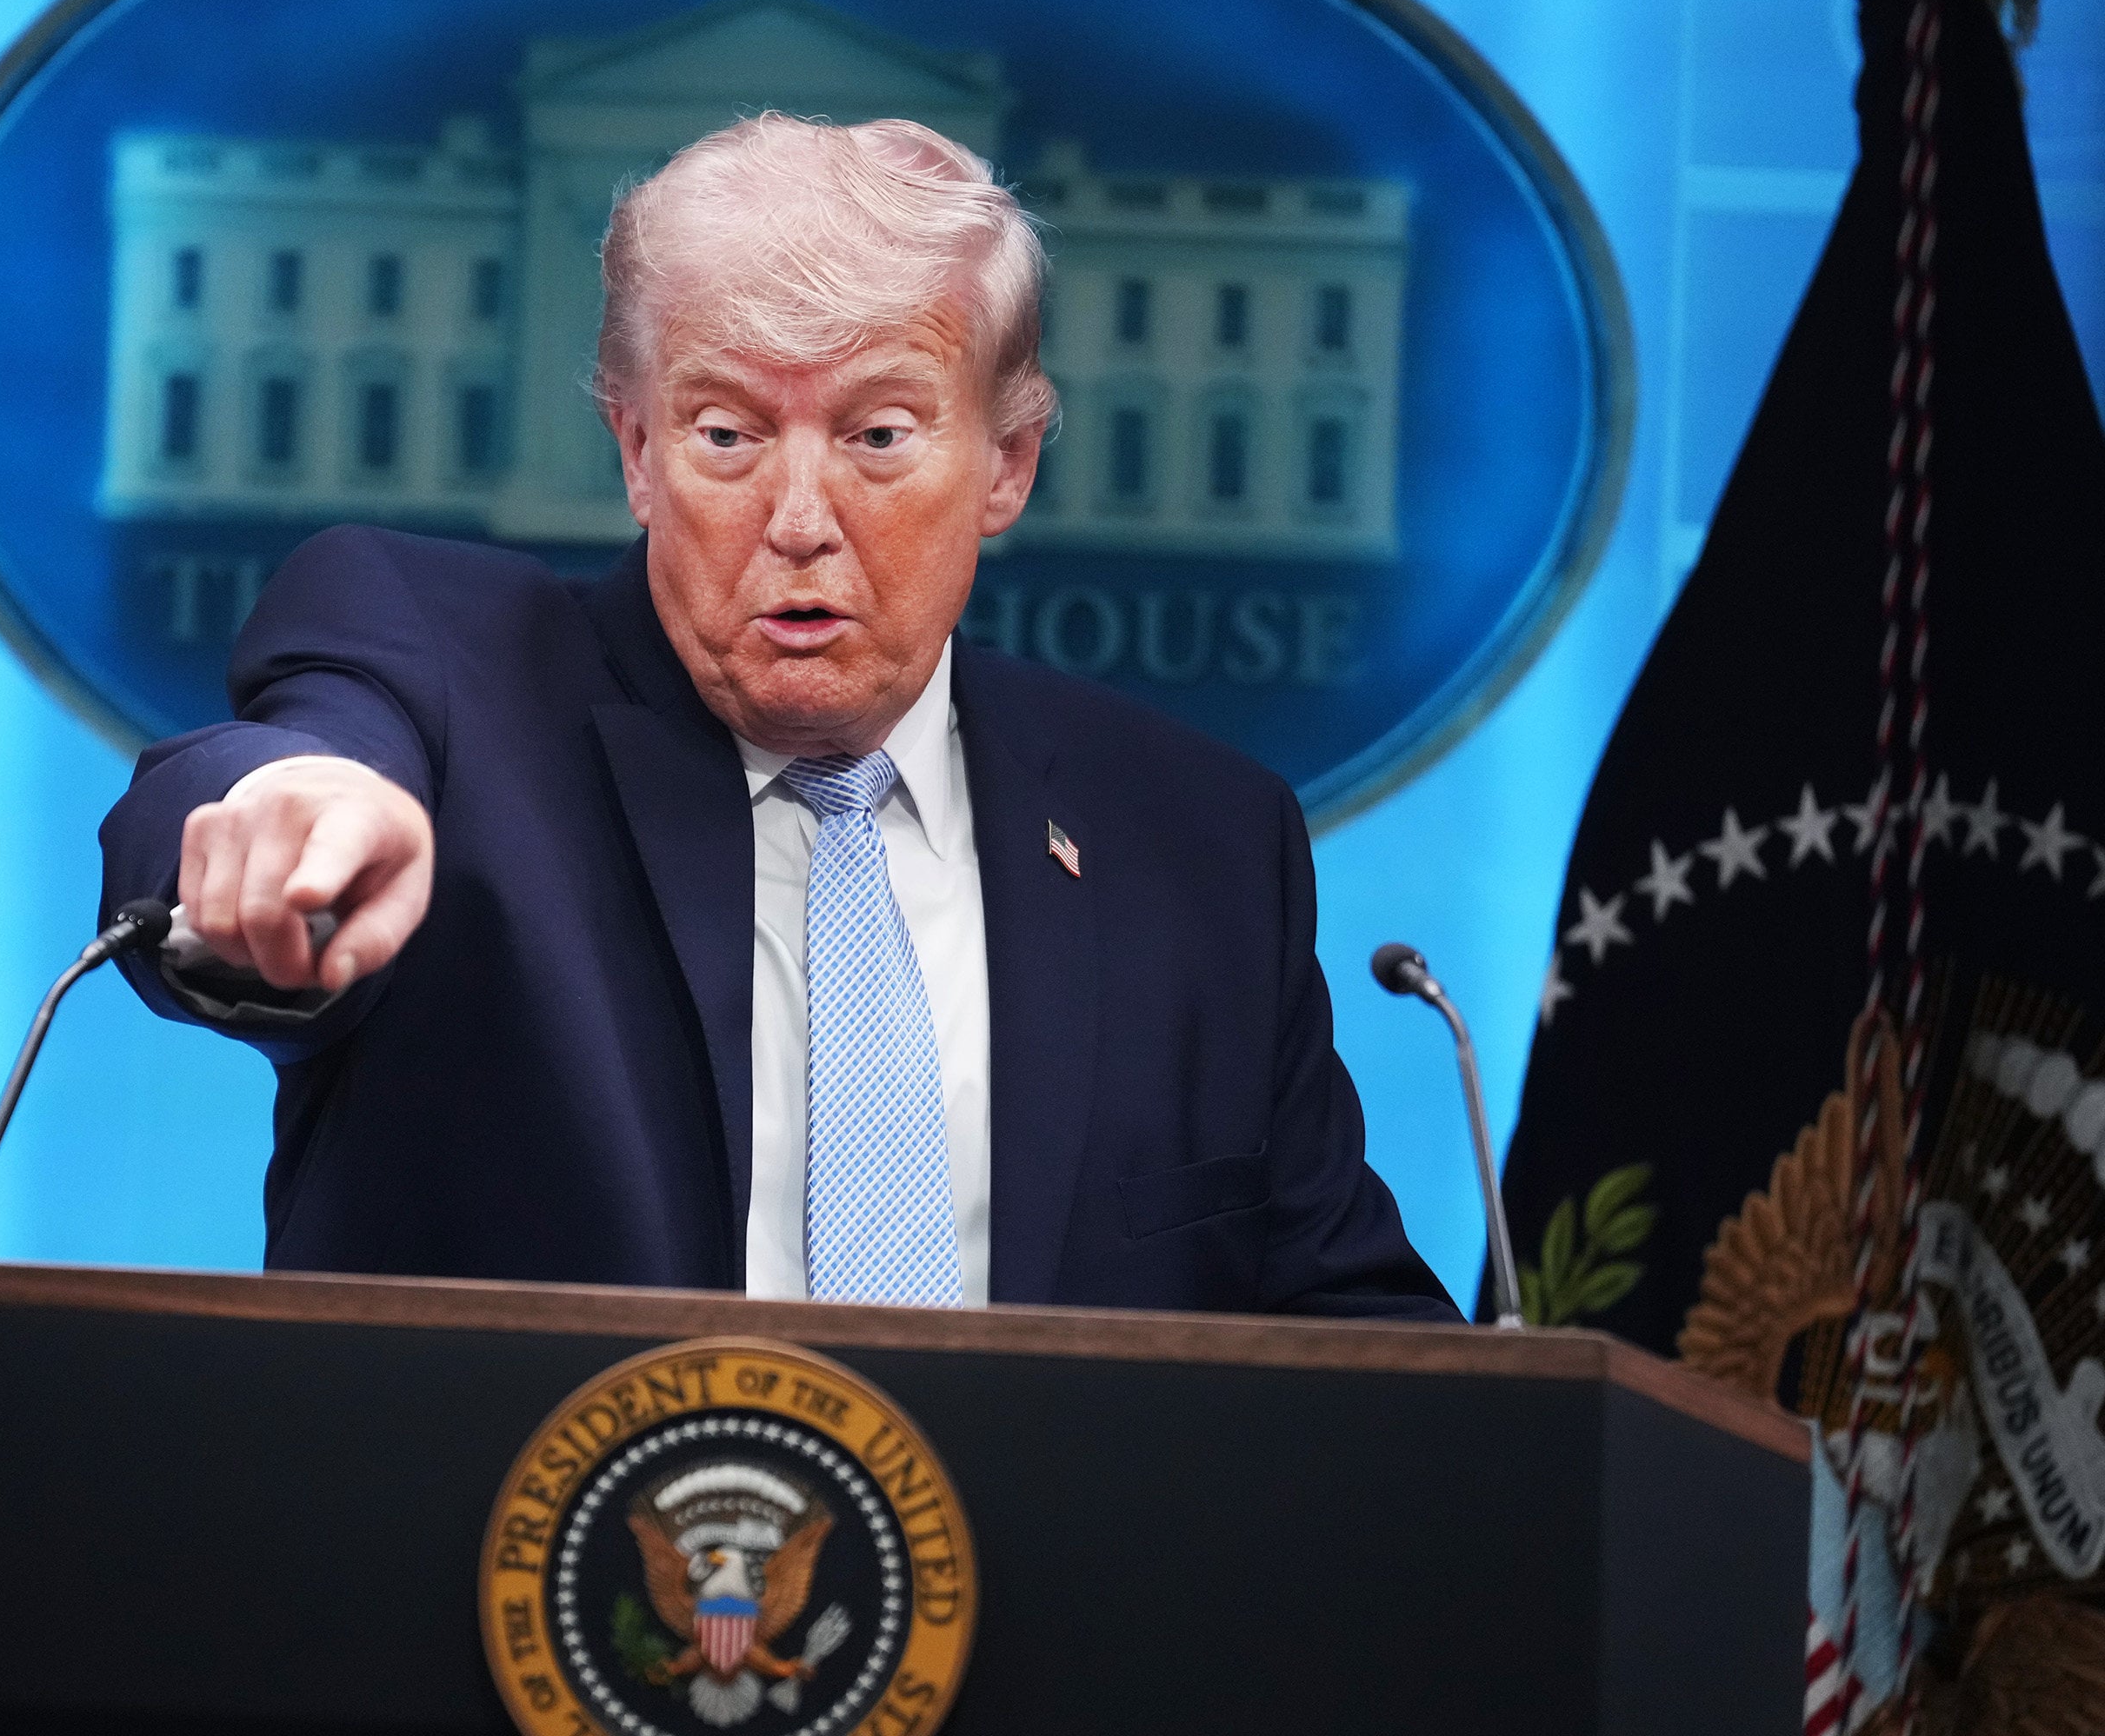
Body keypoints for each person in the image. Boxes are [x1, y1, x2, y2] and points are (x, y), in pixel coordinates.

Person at [99, 113, 1455, 1320]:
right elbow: (274, 774)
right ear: (637, 453)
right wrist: (277, 825)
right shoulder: (447, 680)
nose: (800, 524)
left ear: (1008, 462)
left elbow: (1365, 1367)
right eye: (728, 435)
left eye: (877, 435)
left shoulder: (1204, 845)